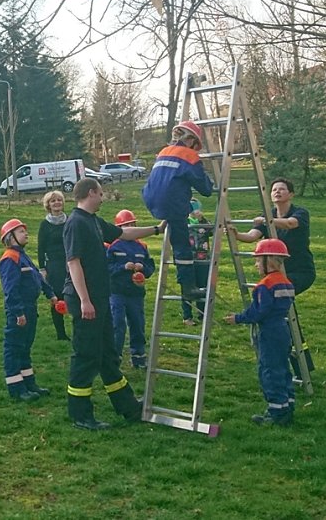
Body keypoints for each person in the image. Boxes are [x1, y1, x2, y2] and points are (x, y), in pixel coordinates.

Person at [63, 178, 165, 431]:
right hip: (85, 302)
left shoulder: (94, 222)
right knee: (86, 356)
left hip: (100, 300)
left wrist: (156, 229)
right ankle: (80, 415)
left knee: (108, 355)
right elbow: (73, 263)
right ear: (90, 193)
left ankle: (128, 407)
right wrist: (85, 300)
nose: (103, 197)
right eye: (100, 193)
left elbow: (124, 233)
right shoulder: (76, 223)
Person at [229, 177, 315, 374]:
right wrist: (236, 234)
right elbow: (252, 236)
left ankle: (287, 357)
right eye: (274, 189)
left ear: (290, 194)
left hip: (300, 272)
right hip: (278, 275)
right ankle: (300, 363)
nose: (277, 192)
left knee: (278, 309)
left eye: (282, 189)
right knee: (284, 313)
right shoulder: (266, 216)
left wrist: (268, 221)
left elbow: (291, 224)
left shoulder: (300, 213)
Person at [223, 239, 295, 427]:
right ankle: (288, 406)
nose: (255, 265)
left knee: (269, 371)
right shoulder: (286, 283)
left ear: (268, 261)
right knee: (283, 368)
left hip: (269, 332)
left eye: (257, 261)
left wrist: (238, 318)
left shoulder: (265, 285)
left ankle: (276, 413)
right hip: (282, 329)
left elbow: (258, 311)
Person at [142, 120, 213, 301]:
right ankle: (188, 287)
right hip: (172, 204)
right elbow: (205, 190)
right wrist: (208, 179)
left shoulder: (163, 152)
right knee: (182, 245)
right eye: (195, 146)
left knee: (181, 213)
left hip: (151, 199)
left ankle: (187, 285)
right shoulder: (189, 156)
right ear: (190, 140)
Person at [0, 218, 58, 402]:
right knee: (15, 348)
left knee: (25, 347)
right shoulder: (10, 258)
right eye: (21, 231)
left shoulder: (23, 255)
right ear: (11, 237)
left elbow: (38, 277)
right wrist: (18, 313)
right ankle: (16, 388)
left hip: (30, 309)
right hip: (20, 311)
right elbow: (10, 290)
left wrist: (50, 294)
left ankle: (29, 383)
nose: (26, 233)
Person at [107, 209, 156, 368]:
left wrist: (143, 269)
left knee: (138, 324)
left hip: (136, 293)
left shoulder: (142, 246)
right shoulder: (111, 246)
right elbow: (106, 268)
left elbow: (150, 267)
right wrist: (123, 267)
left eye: (132, 225)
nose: (130, 228)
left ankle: (139, 357)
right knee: (117, 325)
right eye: (126, 225)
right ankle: (115, 358)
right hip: (117, 292)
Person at [37, 190, 70, 341]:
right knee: (57, 297)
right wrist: (42, 268)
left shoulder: (70, 220)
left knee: (74, 295)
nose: (57, 203)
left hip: (70, 262)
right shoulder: (45, 225)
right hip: (54, 266)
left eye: (59, 200)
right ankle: (61, 334)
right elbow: (41, 248)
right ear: (48, 205)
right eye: (53, 201)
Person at [182, 198, 213, 326]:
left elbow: (212, 231)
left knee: (203, 287)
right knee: (187, 288)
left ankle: (202, 314)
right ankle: (187, 316)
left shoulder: (204, 223)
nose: (195, 212)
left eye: (197, 209)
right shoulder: (184, 222)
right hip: (187, 260)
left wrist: (202, 220)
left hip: (203, 259)